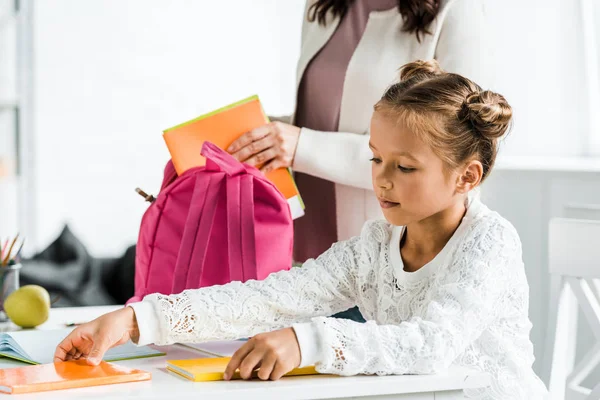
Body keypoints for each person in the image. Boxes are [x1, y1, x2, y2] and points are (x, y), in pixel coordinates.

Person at [55, 60, 548, 399]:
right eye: (376, 158)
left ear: (466, 176)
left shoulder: (490, 241)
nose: (380, 178)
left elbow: (432, 344)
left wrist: (305, 341)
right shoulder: (376, 244)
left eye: (405, 167)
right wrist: (136, 320)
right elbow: (272, 297)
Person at [227, 0, 490, 264]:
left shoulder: (457, 9)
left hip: (392, 254)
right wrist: (262, 133)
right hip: (303, 243)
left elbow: (452, 149)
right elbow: (321, 116)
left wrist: (301, 146)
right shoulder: (323, 5)